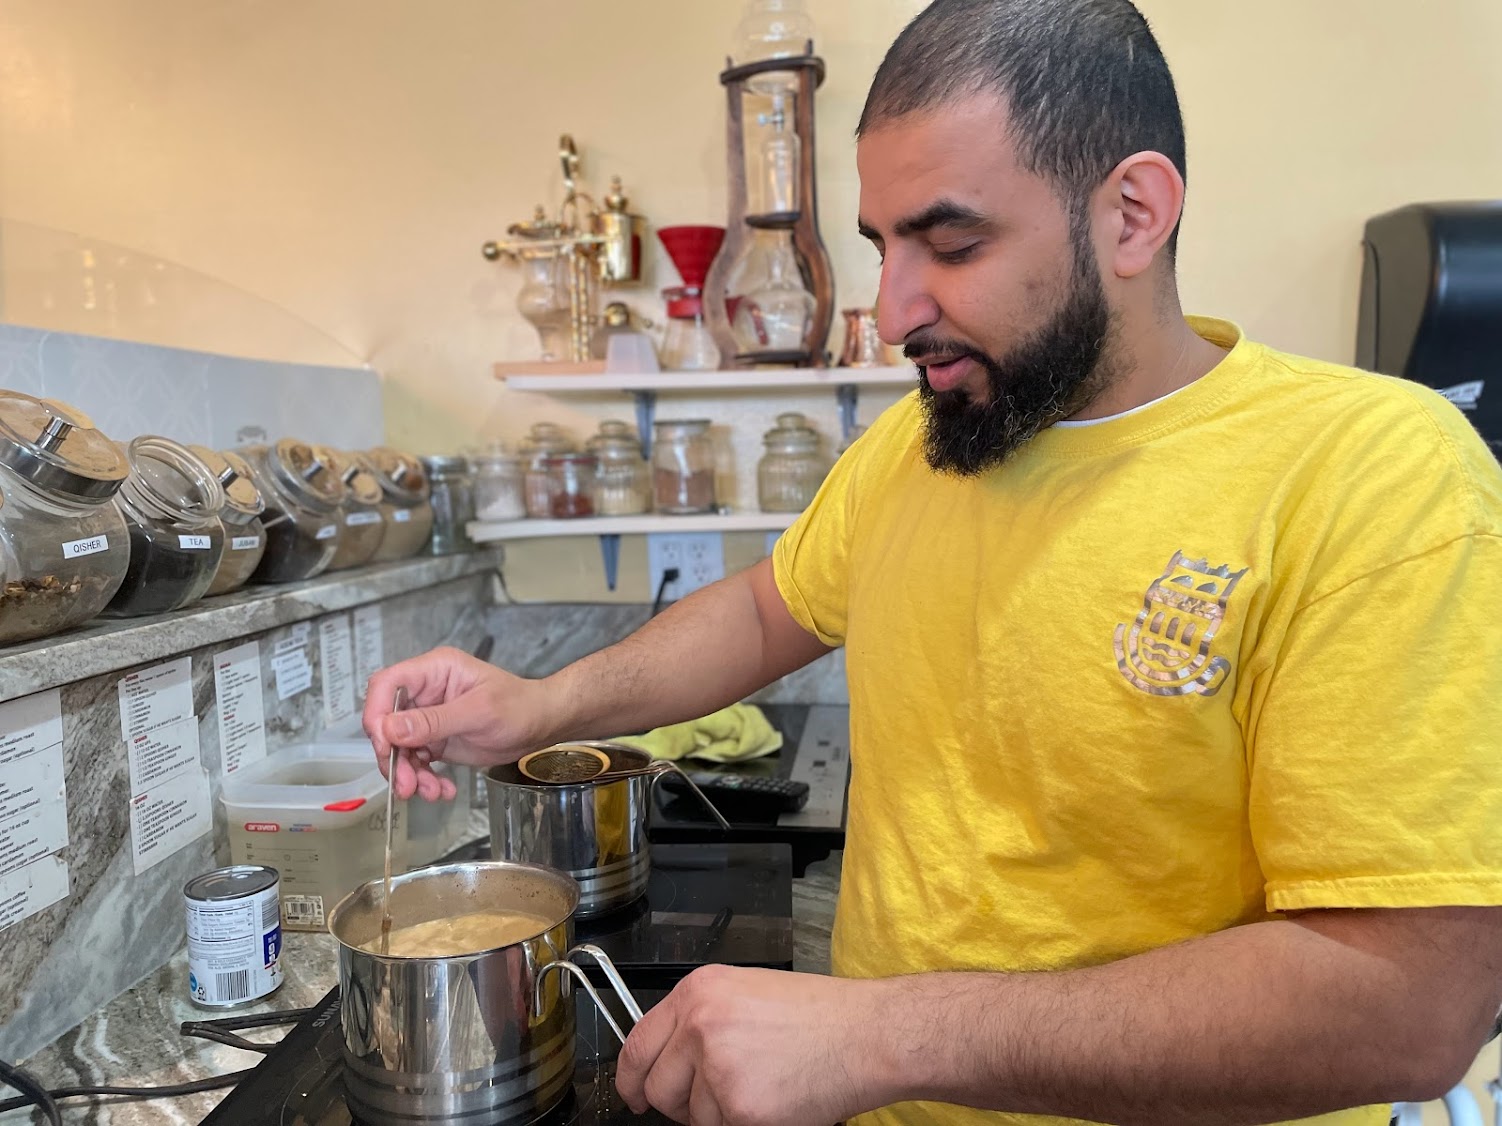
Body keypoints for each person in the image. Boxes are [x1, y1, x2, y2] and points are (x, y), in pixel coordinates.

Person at [364, 1, 1502, 1123]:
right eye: (880, 245)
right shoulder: (913, 449)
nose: (891, 307)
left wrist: (879, 1033)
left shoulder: (1375, 479)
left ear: (1133, 213)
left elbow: (1410, 1000)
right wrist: (543, 706)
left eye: (950, 243)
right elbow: (770, 609)